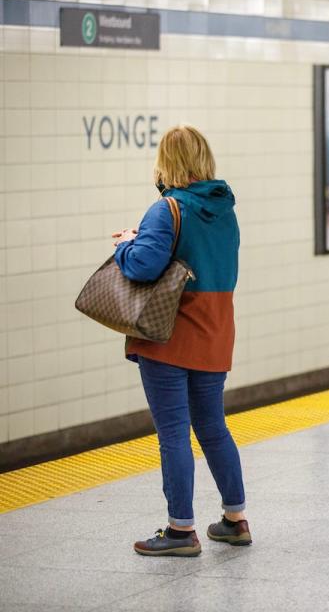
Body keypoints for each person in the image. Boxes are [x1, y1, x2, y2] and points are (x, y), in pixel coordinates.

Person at [113, 125, 249, 556]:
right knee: (212, 428)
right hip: (214, 330)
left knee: (173, 432)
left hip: (169, 334)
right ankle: (235, 519)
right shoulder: (225, 209)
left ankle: (179, 531)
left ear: (166, 162)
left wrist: (125, 246)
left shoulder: (166, 209)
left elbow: (143, 267)